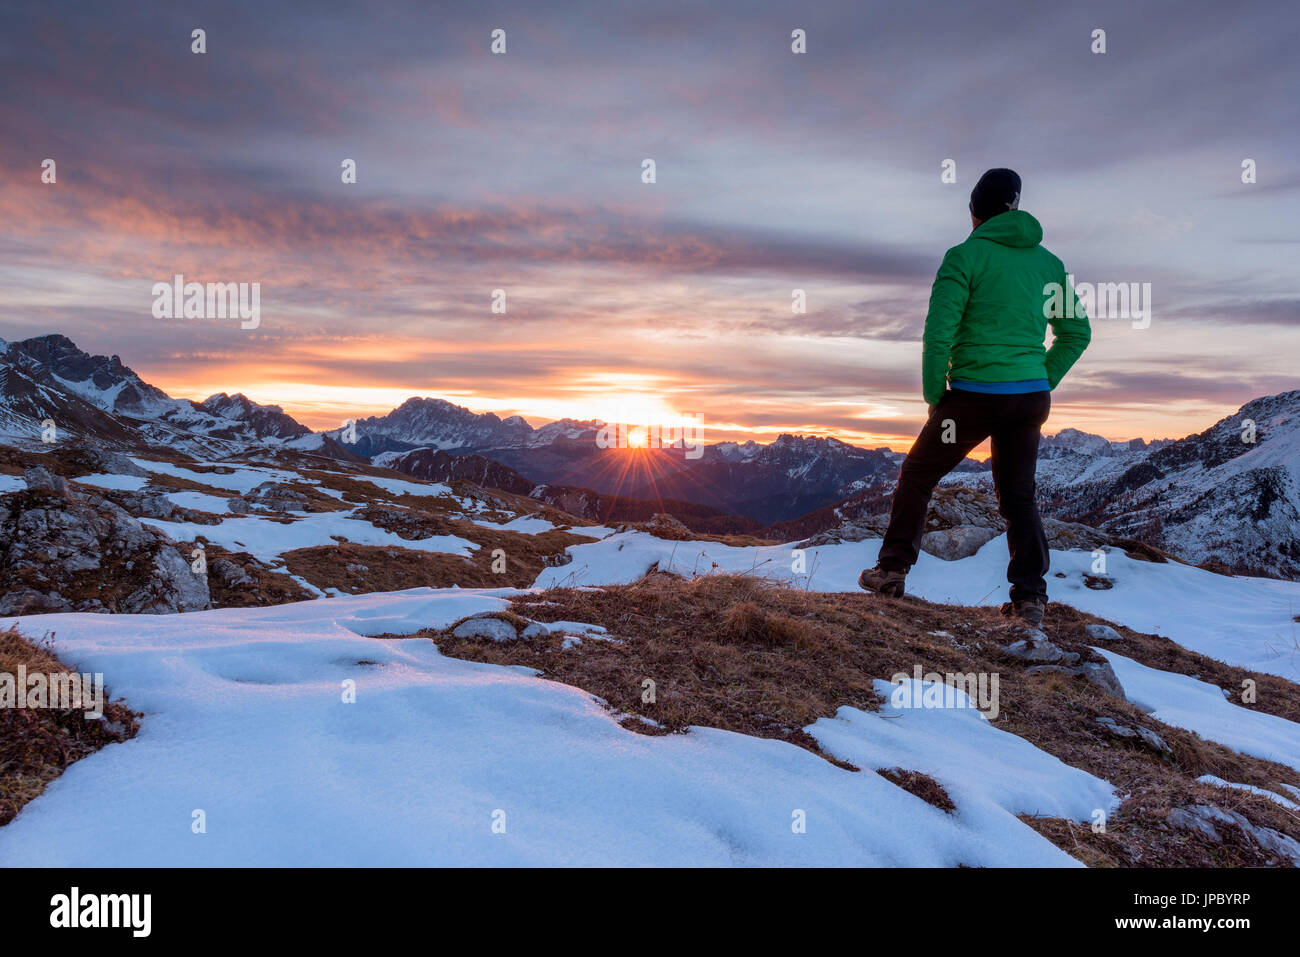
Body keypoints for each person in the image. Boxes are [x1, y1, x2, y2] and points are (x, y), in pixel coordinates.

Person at [858, 168, 1091, 625]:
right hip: (1028, 399)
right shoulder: (1049, 264)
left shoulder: (964, 256)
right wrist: (1038, 378)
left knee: (918, 474)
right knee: (1018, 495)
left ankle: (891, 570)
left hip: (972, 395)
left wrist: (934, 394)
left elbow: (938, 332)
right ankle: (1029, 598)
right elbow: (1076, 333)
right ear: (1015, 208)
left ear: (974, 213)